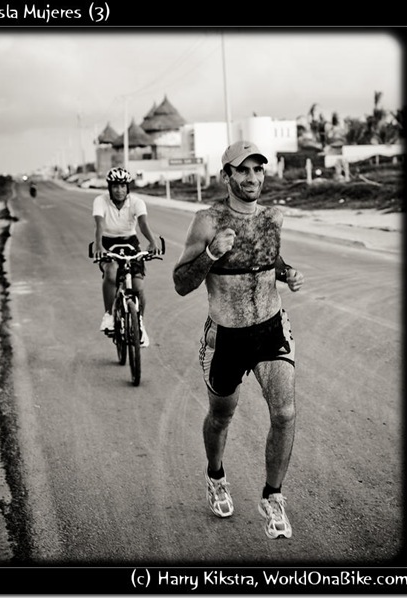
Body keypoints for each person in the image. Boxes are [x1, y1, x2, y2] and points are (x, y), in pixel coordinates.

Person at [172, 141, 305, 539]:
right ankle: (215, 475)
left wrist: (288, 273)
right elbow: (181, 283)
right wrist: (211, 253)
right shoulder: (207, 221)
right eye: (242, 171)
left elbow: (268, 262)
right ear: (226, 176)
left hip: (270, 328)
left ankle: (272, 496)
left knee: (284, 413)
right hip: (226, 336)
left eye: (258, 170)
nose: (252, 178)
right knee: (221, 416)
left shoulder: (273, 217)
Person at [92, 166, 161, 348]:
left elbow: (143, 224)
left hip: (130, 243)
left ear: (127, 187)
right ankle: (108, 315)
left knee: (138, 286)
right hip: (108, 242)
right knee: (112, 273)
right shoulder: (100, 201)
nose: (119, 190)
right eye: (115, 186)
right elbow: (99, 225)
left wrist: (152, 242)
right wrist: (98, 246)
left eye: (123, 186)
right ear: (109, 187)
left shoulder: (137, 202)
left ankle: (139, 324)